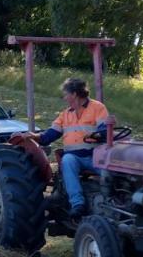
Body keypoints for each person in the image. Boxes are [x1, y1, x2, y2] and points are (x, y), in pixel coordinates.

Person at [27, 77, 110, 218]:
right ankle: (78, 204)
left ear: (75, 94)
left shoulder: (98, 108)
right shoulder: (65, 114)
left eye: (66, 94)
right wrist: (32, 136)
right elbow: (49, 136)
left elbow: (105, 131)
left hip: (95, 157)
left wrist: (97, 135)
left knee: (112, 173)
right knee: (68, 160)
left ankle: (112, 204)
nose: (64, 98)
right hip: (75, 157)